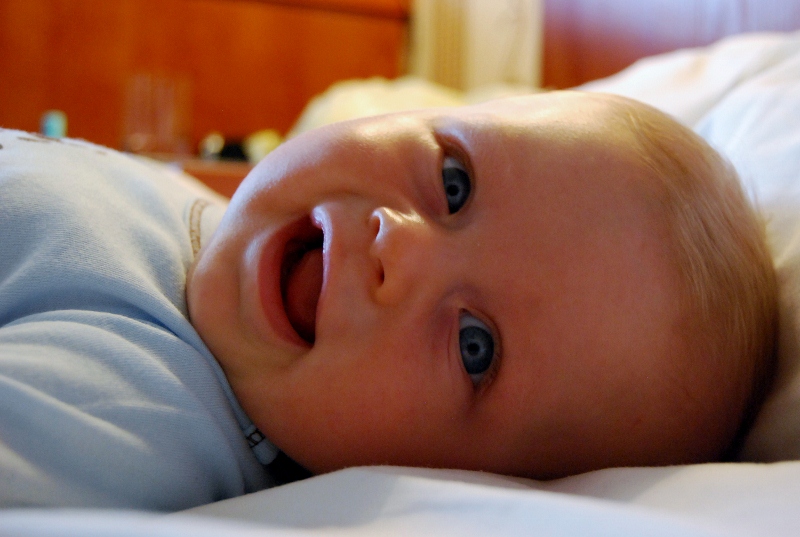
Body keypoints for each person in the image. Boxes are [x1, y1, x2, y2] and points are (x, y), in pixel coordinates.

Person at [0, 91, 777, 510]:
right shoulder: (189, 206)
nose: (396, 247)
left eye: (475, 347)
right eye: (454, 180)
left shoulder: (136, 403)